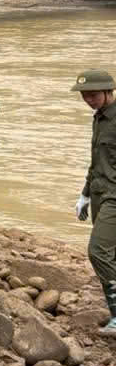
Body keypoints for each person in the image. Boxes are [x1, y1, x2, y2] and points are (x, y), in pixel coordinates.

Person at [72, 70, 116, 337]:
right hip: (100, 193)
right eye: (84, 96)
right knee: (111, 254)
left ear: (109, 91)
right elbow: (96, 161)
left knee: (98, 251)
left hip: (114, 196)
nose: (88, 100)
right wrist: (85, 194)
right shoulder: (99, 118)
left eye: (93, 95)